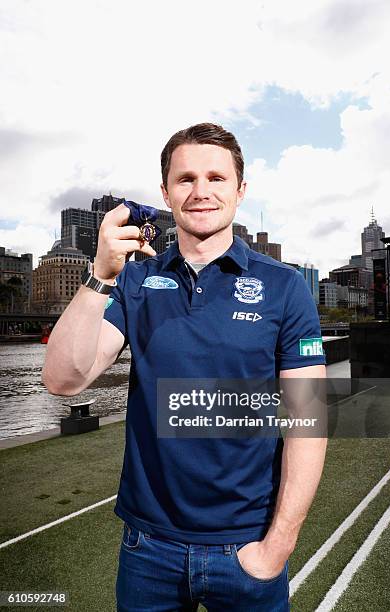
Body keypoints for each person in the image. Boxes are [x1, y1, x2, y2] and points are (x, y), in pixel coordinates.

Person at [42, 123, 327, 611]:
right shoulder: (136, 279)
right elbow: (64, 379)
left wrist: (278, 545)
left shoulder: (285, 287)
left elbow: (307, 422)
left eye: (216, 178)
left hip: (248, 544)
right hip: (148, 550)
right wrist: (100, 276)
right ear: (166, 193)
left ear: (240, 190)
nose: (201, 192)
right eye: (186, 179)